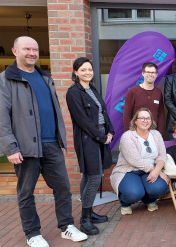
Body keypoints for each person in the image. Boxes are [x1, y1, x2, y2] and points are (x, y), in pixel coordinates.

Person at [0, 36, 87, 247]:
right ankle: (32, 233)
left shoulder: (45, 77)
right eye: (27, 49)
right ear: (15, 51)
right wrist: (10, 147)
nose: (32, 53)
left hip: (51, 144)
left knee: (63, 188)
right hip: (24, 148)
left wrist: (60, 137)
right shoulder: (5, 80)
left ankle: (67, 226)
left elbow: (53, 111)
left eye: (35, 49)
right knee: (26, 193)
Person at [65, 57, 114, 235]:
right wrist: (101, 136)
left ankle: (89, 212)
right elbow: (83, 120)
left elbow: (103, 112)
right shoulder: (73, 93)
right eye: (83, 70)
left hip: (100, 135)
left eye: (90, 70)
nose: (88, 73)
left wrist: (110, 131)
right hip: (88, 138)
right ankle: (85, 219)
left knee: (90, 175)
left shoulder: (92, 89)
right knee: (93, 177)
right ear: (76, 72)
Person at [110, 108, 169, 215]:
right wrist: (157, 172)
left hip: (149, 171)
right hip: (129, 171)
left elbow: (162, 155)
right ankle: (125, 202)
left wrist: (157, 169)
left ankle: (148, 200)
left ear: (151, 121)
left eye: (148, 118)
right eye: (141, 118)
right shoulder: (128, 136)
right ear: (135, 121)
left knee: (160, 187)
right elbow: (135, 160)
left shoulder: (156, 134)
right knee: (134, 193)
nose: (145, 120)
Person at [123, 62, 165, 133]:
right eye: (147, 72)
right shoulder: (133, 91)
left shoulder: (158, 92)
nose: (150, 74)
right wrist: (130, 134)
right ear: (143, 73)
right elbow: (127, 115)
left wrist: (159, 133)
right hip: (136, 133)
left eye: (153, 72)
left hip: (153, 133)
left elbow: (161, 115)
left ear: (156, 74)